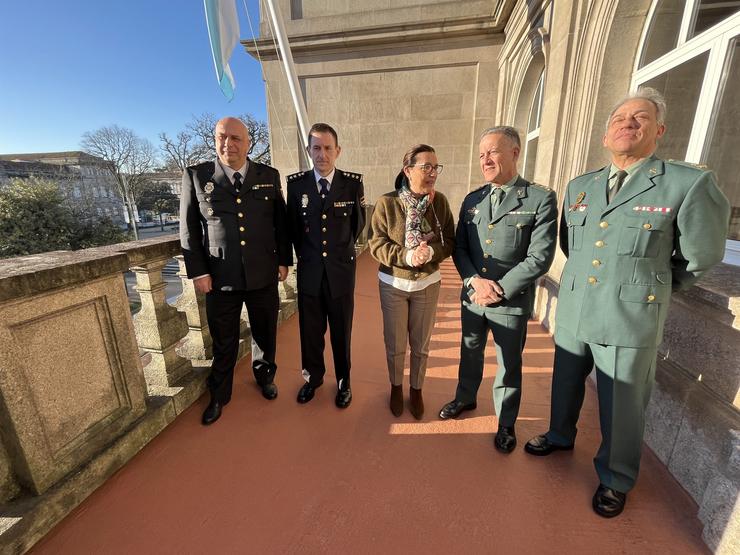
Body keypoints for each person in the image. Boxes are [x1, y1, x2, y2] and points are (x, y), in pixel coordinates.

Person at [524, 87, 730, 518]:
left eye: (640, 117)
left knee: (622, 403)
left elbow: (703, 255)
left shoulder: (686, 183)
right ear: (605, 136)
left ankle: (616, 478)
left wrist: (649, 286)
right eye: (619, 118)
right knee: (565, 382)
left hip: (629, 316)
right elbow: (570, 243)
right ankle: (560, 436)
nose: (628, 124)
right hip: (577, 307)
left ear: (659, 130)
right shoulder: (581, 185)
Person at [439, 126, 558, 455]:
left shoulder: (540, 198)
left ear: (515, 152)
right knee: (470, 352)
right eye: (481, 155)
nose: (486, 160)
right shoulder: (473, 199)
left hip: (510, 302)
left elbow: (540, 257)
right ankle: (465, 397)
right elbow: (460, 249)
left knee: (508, 363)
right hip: (474, 296)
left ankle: (506, 422)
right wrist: (474, 282)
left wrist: (500, 289)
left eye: (493, 152)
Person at [179, 117, 292, 425]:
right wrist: (199, 272)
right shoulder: (197, 175)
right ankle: (220, 393)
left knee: (265, 333)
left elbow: (279, 223)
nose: (228, 143)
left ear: (248, 142)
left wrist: (284, 261)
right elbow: (188, 229)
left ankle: (265, 377)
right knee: (223, 339)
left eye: (235, 138)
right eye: (221, 137)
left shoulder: (268, 175)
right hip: (220, 277)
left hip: (263, 272)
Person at [368, 144, 455, 419]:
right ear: (408, 170)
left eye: (435, 167)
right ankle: (396, 386)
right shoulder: (387, 203)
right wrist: (405, 256)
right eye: (425, 167)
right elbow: (376, 244)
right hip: (393, 284)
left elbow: (449, 240)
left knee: (421, 343)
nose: (432, 173)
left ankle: (416, 389)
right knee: (395, 343)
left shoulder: (439, 202)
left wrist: (430, 252)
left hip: (427, 283)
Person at [286, 123, 365, 409]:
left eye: (328, 148)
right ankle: (313, 378)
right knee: (310, 331)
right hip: (309, 273)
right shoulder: (296, 186)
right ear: (309, 150)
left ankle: (344, 381)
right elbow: (292, 229)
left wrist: (337, 255)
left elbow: (358, 225)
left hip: (341, 273)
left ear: (338, 151)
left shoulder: (352, 183)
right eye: (316, 148)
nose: (322, 154)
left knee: (342, 331)